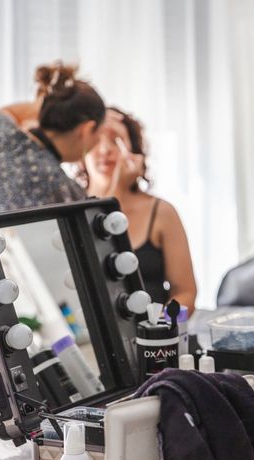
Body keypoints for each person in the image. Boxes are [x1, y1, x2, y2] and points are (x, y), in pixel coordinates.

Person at [80, 107, 197, 313]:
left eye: (116, 140)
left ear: (133, 151)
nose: (105, 149)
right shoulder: (67, 207)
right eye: (97, 138)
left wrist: (159, 325)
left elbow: (186, 292)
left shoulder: (161, 212)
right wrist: (117, 187)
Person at [0, 63, 106, 218]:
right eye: (99, 135)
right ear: (86, 129)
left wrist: (52, 107)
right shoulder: (67, 194)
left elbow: (10, 111)